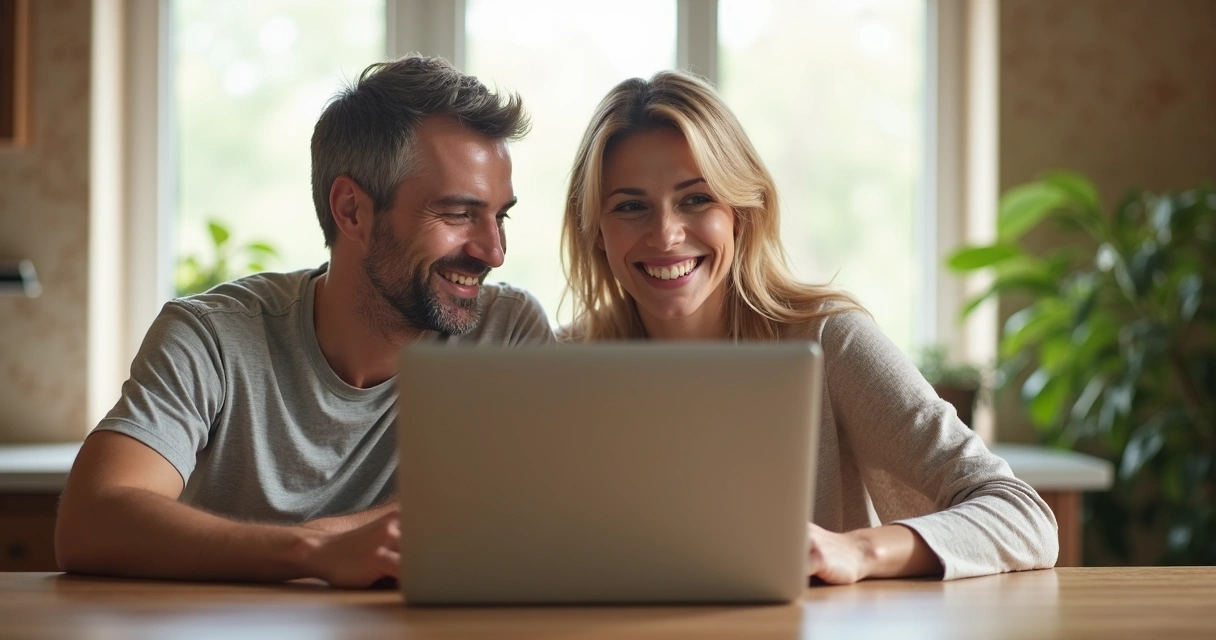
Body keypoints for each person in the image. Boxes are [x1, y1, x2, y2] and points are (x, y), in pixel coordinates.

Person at [56, 56, 553, 588]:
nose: (494, 251)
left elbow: (539, 511)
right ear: (352, 210)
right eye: (458, 214)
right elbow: (92, 521)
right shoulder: (214, 337)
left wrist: (339, 538)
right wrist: (315, 551)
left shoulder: (507, 335)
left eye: (499, 216)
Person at [559, 71, 1058, 583]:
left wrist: (859, 550)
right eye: (630, 206)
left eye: (696, 199)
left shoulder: (828, 342)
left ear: (742, 213)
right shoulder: (559, 367)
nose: (665, 234)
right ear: (597, 230)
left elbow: (1022, 515)